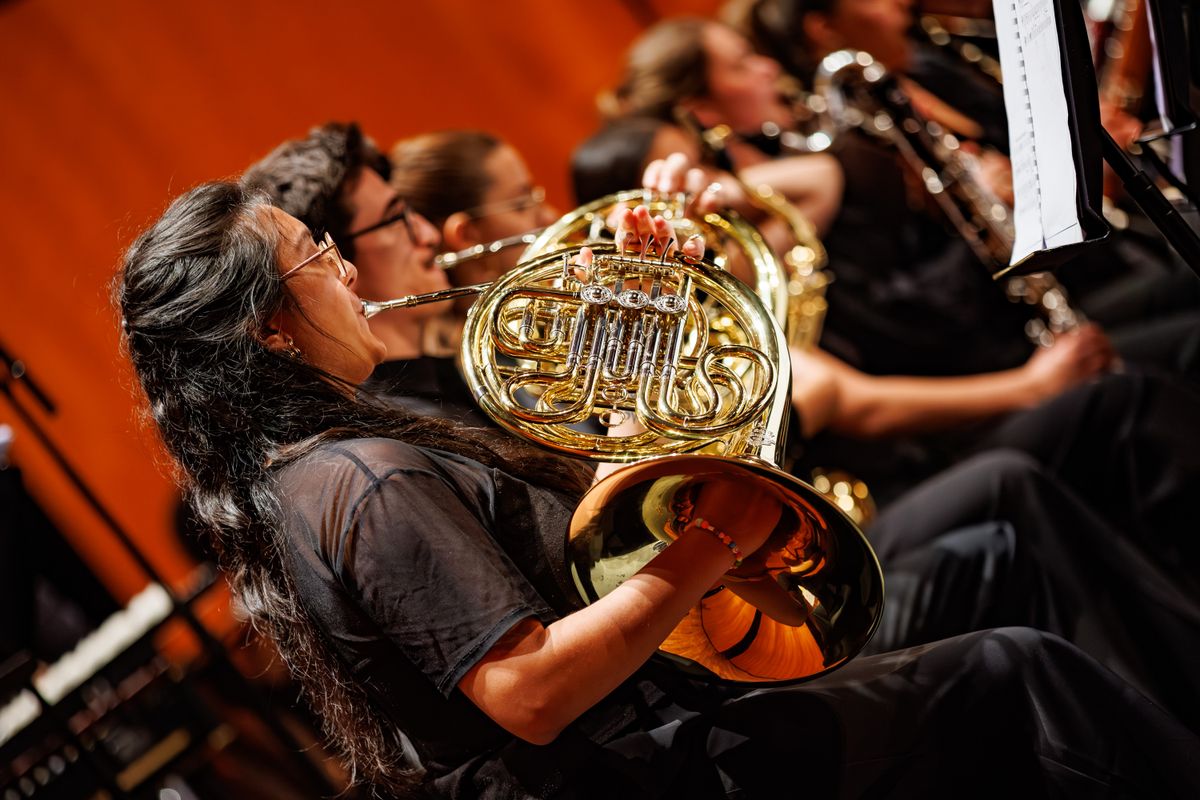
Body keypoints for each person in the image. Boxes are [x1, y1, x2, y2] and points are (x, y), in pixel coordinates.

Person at [117, 177, 1200, 797]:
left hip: (648, 745)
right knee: (1019, 672)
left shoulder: (337, 458)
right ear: (268, 328)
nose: (347, 267)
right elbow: (529, 692)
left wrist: (653, 323)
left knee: (1007, 648)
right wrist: (709, 542)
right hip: (638, 777)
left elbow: (570, 544)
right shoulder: (358, 479)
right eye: (316, 256)